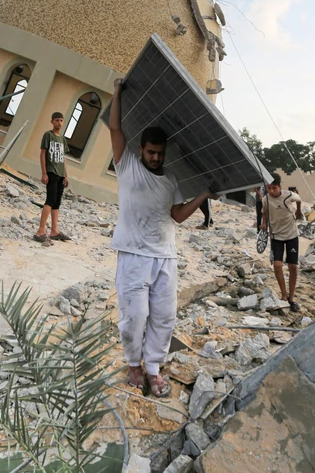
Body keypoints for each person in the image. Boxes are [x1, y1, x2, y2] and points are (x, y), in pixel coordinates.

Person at [109, 77, 212, 398]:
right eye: (151, 152)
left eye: (160, 153)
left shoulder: (170, 180)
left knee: (164, 318)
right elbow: (115, 130)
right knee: (134, 317)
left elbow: (178, 215)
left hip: (165, 257)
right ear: (141, 149)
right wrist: (117, 92)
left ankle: (153, 368)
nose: (156, 157)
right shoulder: (126, 165)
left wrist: (204, 194)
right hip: (133, 255)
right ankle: (133, 364)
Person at [260, 175, 303, 312]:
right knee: (277, 265)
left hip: (291, 235)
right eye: (269, 188)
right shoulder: (265, 199)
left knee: (293, 267)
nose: (271, 191)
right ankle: (284, 295)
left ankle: (292, 297)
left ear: (280, 187)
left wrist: (299, 212)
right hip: (276, 236)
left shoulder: (288, 196)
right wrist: (264, 224)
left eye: (274, 188)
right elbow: (265, 212)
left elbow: (299, 199)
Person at [33, 112, 72, 243]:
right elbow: (42, 154)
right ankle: (40, 231)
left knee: (57, 202)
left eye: (61, 120)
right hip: (51, 172)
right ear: (52, 122)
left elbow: (63, 158)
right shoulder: (48, 135)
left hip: (61, 174)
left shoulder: (62, 139)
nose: (59, 123)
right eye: (57, 120)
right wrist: (44, 172)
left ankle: (54, 231)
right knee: (50, 200)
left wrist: (66, 175)